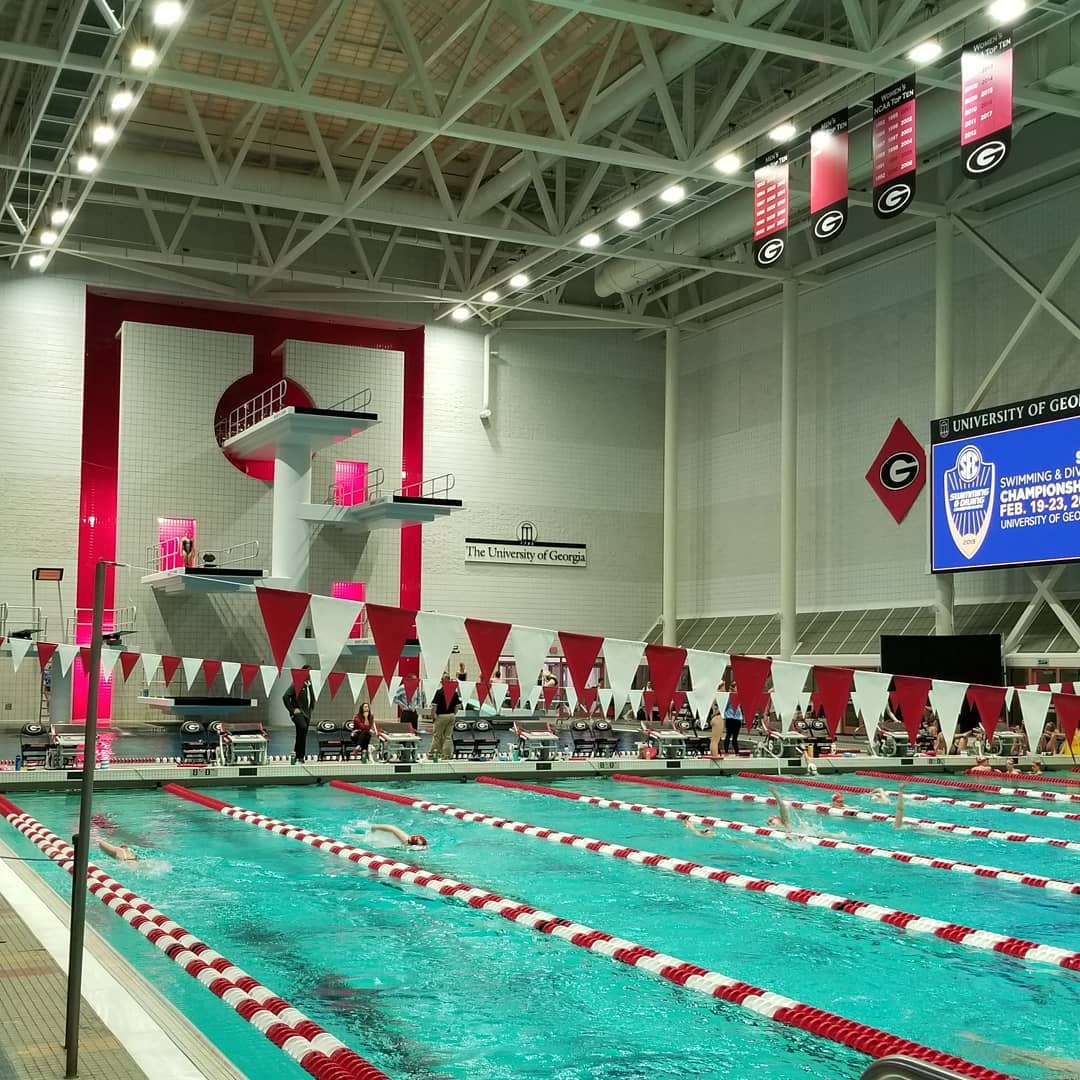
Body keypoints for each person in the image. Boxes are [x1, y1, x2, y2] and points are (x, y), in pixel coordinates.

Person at [282, 665, 315, 763]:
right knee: (303, 728)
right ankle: (298, 755)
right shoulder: (297, 684)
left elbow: (311, 698)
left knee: (302, 734)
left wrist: (311, 708)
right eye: (308, 672)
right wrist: (292, 710)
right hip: (298, 713)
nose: (310, 674)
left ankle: (299, 756)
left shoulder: (310, 685)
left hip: (307, 713)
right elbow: (285, 696)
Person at [430, 674, 461, 760]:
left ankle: (433, 754)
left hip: (441, 716)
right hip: (451, 715)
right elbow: (458, 706)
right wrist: (454, 714)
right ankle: (446, 755)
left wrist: (433, 716)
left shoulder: (439, 692)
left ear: (442, 682)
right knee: (448, 737)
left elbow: (434, 706)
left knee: (437, 736)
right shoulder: (454, 693)